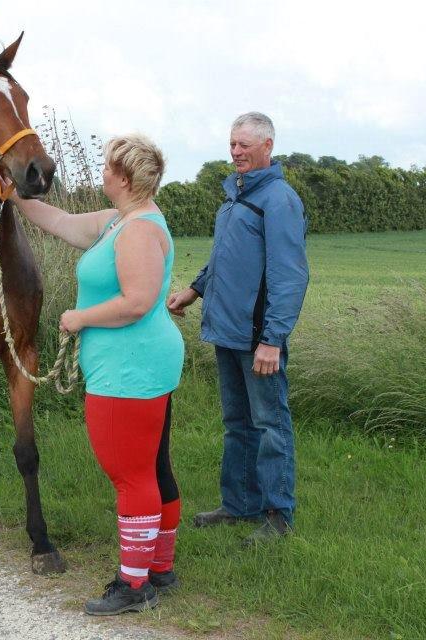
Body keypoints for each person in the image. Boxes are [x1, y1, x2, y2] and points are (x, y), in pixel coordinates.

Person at [7, 134, 184, 615]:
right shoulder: (119, 221)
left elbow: (137, 302)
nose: (101, 171)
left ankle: (134, 584)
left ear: (124, 178)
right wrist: (16, 195)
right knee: (152, 468)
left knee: (130, 475)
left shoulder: (139, 232)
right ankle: (158, 569)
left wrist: (79, 318)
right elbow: (60, 222)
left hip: (130, 371)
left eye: (108, 166)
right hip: (140, 365)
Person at [167, 112, 309, 546]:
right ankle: (238, 504)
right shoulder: (234, 197)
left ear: (268, 146)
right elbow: (225, 259)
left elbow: (290, 276)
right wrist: (195, 290)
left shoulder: (279, 200)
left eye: (245, 145)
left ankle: (277, 514)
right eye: (232, 144)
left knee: (269, 422)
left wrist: (272, 339)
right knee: (236, 422)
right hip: (226, 330)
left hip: (257, 337)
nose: (236, 152)